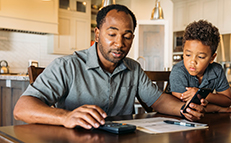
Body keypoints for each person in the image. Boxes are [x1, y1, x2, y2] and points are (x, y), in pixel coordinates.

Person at [13, 4, 207, 130]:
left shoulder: (133, 68)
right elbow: (22, 108)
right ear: (97, 34)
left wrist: (184, 109)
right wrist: (65, 117)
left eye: (127, 36)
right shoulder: (67, 66)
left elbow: (157, 101)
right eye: (112, 34)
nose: (119, 43)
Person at [169, 20, 231, 113]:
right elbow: (186, 107)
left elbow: (228, 100)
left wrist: (201, 94)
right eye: (188, 55)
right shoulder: (178, 71)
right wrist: (217, 108)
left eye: (200, 57)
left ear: (212, 58)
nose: (192, 61)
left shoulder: (216, 70)